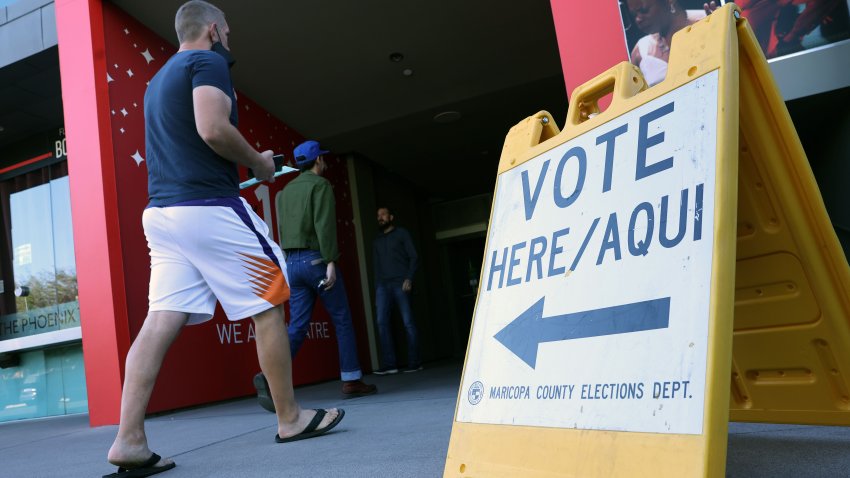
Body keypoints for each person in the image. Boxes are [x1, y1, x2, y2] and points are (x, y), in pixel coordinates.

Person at [104, 2, 343, 477]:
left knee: (159, 321)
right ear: (213, 29)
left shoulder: (158, 81)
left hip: (163, 216)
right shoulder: (206, 61)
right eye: (227, 31)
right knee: (272, 298)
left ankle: (128, 440)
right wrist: (259, 162)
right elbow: (212, 128)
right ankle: (290, 418)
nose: (229, 38)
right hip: (208, 211)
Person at [254, 140, 376, 410]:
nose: (325, 161)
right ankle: (352, 379)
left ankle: (270, 377)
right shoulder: (320, 186)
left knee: (296, 326)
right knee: (342, 319)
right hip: (317, 260)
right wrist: (331, 261)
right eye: (323, 158)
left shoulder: (285, 192)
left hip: (292, 264)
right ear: (318, 161)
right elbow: (324, 225)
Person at [372, 207, 422, 375]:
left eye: (384, 214)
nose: (381, 217)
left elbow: (414, 256)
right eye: (378, 215)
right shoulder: (377, 241)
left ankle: (415, 363)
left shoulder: (402, 234)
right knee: (381, 323)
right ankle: (390, 365)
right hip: (382, 286)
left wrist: (409, 278)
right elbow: (377, 267)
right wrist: (377, 289)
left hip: (401, 283)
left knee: (408, 323)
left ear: (391, 217)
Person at [627, 1, 718, 86]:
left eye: (644, 10)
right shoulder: (640, 51)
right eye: (633, 15)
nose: (638, 19)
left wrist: (721, 31)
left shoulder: (709, 20)